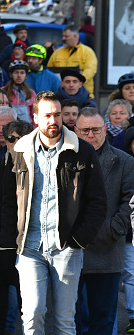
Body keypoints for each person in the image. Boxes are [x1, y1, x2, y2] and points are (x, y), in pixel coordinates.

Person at [0, 91, 107, 335]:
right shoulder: (20, 150)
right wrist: (12, 238)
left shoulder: (82, 150)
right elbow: (8, 200)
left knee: (64, 321)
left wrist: (78, 240)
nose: (53, 120)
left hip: (67, 248)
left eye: (57, 114)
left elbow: (98, 201)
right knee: (33, 316)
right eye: (47, 115)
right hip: (29, 248)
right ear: (35, 117)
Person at [73, 108, 134, 335]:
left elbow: (130, 202)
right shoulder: (64, 159)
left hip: (107, 250)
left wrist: (113, 229)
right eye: (86, 130)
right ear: (76, 131)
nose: (91, 135)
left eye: (96, 130)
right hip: (71, 250)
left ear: (105, 129)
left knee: (104, 319)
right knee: (72, 317)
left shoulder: (124, 162)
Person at [0, 120, 33, 335]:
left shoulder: (40, 171)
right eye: (12, 138)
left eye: (22, 139)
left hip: (29, 249)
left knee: (31, 312)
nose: (16, 143)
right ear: (5, 141)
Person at [47, 25, 98, 98]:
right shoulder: (57, 53)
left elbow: (90, 70)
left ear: (75, 36)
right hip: (60, 95)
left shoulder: (87, 52)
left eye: (66, 36)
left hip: (84, 96)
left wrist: (76, 84)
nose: (63, 38)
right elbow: (49, 71)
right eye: (63, 36)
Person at [3, 60, 35, 124]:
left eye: (22, 73)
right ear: (10, 75)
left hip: (27, 130)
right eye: (16, 72)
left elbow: (34, 115)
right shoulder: (3, 91)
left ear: (26, 76)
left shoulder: (31, 93)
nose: (19, 76)